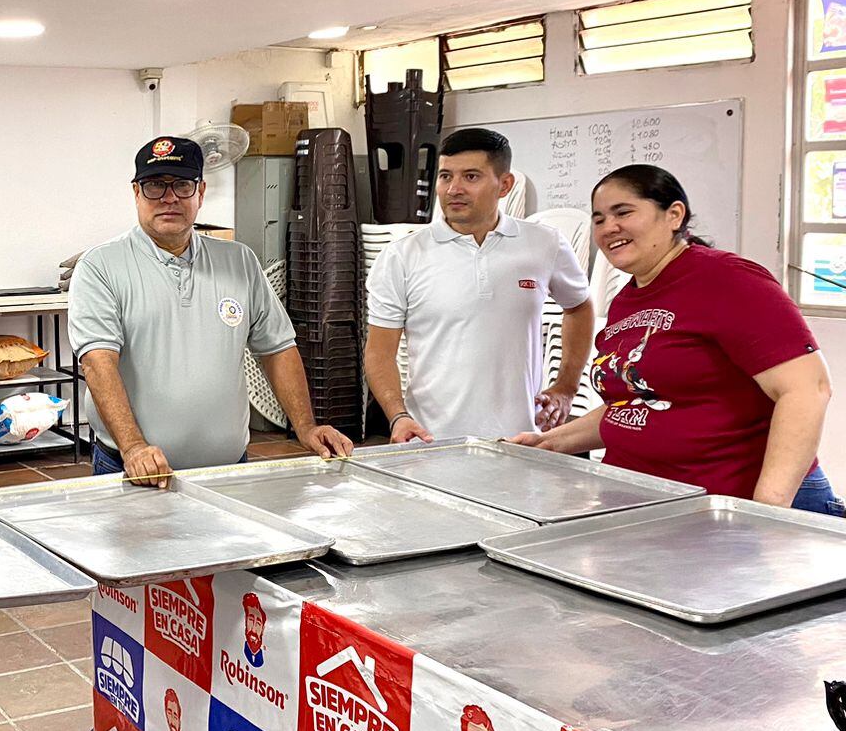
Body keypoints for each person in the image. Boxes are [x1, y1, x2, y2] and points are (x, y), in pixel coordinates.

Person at [512, 165, 835, 510]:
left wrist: (766, 511)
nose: (609, 228)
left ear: (674, 215)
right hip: (653, 502)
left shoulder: (727, 279)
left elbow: (807, 389)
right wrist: (547, 444)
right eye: (599, 219)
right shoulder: (628, 298)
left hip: (729, 508)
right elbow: (633, 405)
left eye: (623, 212)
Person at [68, 136, 352, 484]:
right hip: (134, 470)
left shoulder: (239, 262)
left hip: (229, 471)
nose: (170, 197)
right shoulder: (101, 266)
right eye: (156, 185)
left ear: (200, 192)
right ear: (136, 194)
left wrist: (306, 426)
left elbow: (277, 348)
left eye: (183, 185)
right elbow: (98, 364)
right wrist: (133, 448)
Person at [364, 127, 594, 442]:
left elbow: (579, 306)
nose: (453, 189)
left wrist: (566, 387)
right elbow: (379, 352)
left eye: (471, 177)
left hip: (522, 440)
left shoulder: (544, 244)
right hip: (431, 440)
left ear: (505, 185)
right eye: (445, 177)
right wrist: (398, 416)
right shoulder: (402, 256)